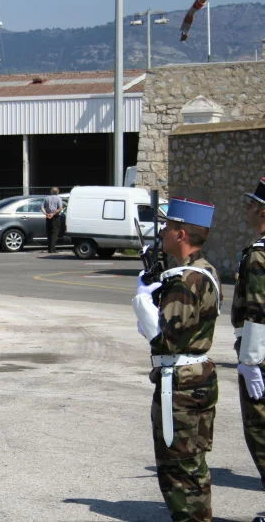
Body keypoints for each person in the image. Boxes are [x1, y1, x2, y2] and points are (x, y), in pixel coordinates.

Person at [132, 197, 221, 522]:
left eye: (169, 227)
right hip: (197, 377)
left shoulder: (184, 281)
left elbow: (164, 339)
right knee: (193, 465)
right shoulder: (205, 271)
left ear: (181, 233)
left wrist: (143, 301)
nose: (164, 232)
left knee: (177, 471)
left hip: (180, 384)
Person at [232, 176, 265, 522]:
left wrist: (250, 361)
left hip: (261, 355)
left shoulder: (259, 255)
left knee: (260, 434)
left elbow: (257, 312)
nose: (247, 207)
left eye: (252, 203)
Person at [41, 187, 64, 253]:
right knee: (54, 233)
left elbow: (42, 207)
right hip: (55, 217)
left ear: (51, 192)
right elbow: (60, 208)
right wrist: (53, 214)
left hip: (48, 217)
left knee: (49, 233)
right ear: (57, 192)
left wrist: (46, 214)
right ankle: (52, 249)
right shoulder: (58, 198)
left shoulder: (46, 198)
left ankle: (49, 249)